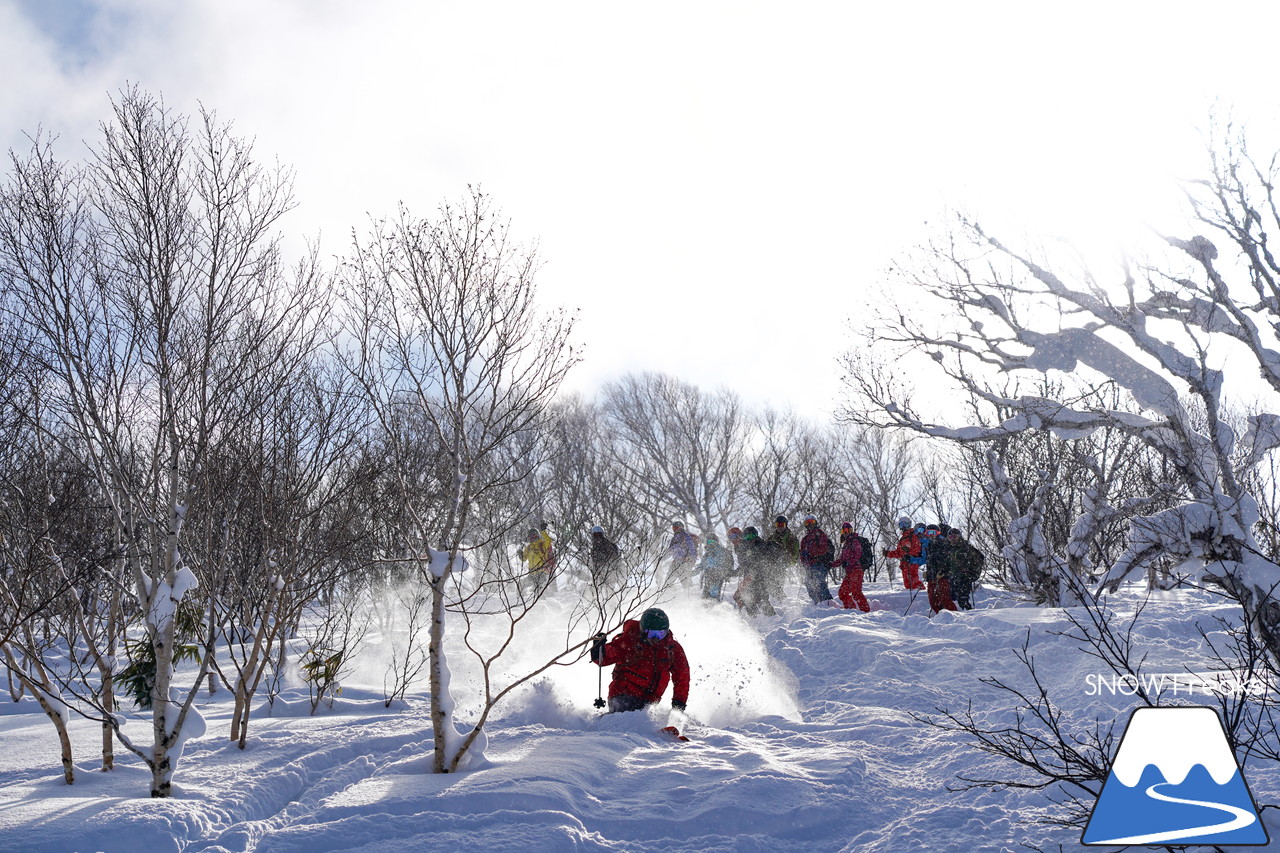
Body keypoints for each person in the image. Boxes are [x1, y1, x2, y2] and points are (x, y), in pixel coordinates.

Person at [590, 608, 690, 714]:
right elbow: (605, 658)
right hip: (623, 694)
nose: (656, 638)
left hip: (651, 700)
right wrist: (598, 650)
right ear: (644, 630)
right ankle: (609, 723)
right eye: (652, 634)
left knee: (645, 720)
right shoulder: (630, 641)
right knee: (628, 717)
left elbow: (682, 676)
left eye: (661, 634)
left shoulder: (672, 648)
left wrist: (679, 703)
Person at [733, 526, 778, 616]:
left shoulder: (761, 545)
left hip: (761, 577)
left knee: (761, 598)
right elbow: (743, 563)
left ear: (756, 536)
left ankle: (772, 617)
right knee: (747, 598)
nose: (750, 539)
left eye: (752, 536)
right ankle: (754, 618)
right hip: (749, 577)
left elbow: (768, 557)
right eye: (747, 537)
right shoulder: (743, 548)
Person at [831, 522, 870, 611]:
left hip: (856, 570)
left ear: (851, 530)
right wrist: (831, 564)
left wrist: (849, 562)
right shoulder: (846, 544)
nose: (846, 532)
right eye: (844, 530)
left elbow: (857, 553)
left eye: (848, 529)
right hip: (849, 572)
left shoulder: (854, 541)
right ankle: (850, 609)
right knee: (842, 593)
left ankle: (865, 611)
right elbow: (842, 559)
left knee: (856, 592)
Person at [945, 528, 985, 610]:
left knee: (962, 597)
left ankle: (968, 613)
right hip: (952, 577)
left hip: (964, 577)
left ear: (959, 537)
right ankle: (957, 616)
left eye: (955, 536)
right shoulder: (948, 549)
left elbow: (980, 557)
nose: (953, 539)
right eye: (950, 537)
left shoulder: (966, 547)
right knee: (952, 597)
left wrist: (973, 572)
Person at [799, 515, 835, 605]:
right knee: (808, 583)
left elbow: (823, 549)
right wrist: (804, 560)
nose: (810, 524)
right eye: (807, 523)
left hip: (820, 563)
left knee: (819, 581)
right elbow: (802, 553)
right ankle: (817, 602)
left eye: (812, 522)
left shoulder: (820, 535)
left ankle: (827, 602)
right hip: (809, 565)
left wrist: (811, 553)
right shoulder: (805, 539)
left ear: (816, 523)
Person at [922, 524, 957, 614]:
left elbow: (949, 561)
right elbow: (931, 562)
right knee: (933, 600)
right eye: (928, 533)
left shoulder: (944, 544)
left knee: (944, 599)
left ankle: (955, 616)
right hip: (932, 577)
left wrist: (943, 572)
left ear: (938, 533)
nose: (931, 535)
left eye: (933, 532)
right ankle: (941, 617)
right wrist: (928, 572)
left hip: (942, 577)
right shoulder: (929, 546)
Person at [884, 517, 925, 590]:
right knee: (907, 584)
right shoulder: (903, 538)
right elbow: (898, 553)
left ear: (909, 525)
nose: (903, 527)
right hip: (904, 564)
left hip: (911, 562)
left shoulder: (913, 535)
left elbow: (917, 549)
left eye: (905, 524)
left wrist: (909, 553)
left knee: (914, 582)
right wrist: (888, 553)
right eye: (901, 524)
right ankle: (911, 599)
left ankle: (920, 596)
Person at [767, 515, 800, 596]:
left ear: (786, 525)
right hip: (773, 561)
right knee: (769, 578)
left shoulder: (791, 537)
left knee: (778, 577)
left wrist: (788, 560)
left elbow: (795, 552)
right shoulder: (772, 537)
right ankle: (775, 594)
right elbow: (765, 546)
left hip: (785, 560)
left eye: (782, 525)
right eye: (778, 525)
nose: (780, 527)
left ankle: (780, 595)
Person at [520, 526, 555, 595]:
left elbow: (548, 540)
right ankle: (521, 600)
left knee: (538, 590)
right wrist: (520, 554)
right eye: (530, 537)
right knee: (521, 585)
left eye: (534, 536)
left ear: (538, 536)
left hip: (542, 573)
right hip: (532, 573)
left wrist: (543, 531)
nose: (532, 539)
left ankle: (542, 604)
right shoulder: (529, 547)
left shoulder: (542, 544)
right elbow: (524, 559)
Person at [664, 520, 699, 587]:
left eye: (675, 528)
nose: (674, 530)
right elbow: (670, 550)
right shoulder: (675, 538)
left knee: (685, 582)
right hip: (677, 562)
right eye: (673, 528)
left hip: (683, 562)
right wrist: (662, 558)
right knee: (669, 581)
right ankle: (668, 594)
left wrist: (690, 558)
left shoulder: (686, 536)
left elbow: (692, 548)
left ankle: (689, 596)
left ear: (680, 527)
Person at [698, 532, 731, 600]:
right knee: (705, 595)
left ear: (717, 542)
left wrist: (726, 573)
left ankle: (714, 607)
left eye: (713, 541)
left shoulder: (722, 551)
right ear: (707, 542)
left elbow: (727, 563)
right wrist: (691, 573)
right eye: (710, 541)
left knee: (714, 594)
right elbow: (701, 566)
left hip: (717, 575)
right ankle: (705, 608)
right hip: (708, 575)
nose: (711, 543)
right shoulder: (707, 554)